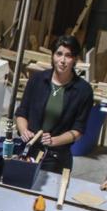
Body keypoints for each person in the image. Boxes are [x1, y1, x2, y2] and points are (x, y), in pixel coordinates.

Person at [15, 35, 95, 173]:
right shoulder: (37, 80)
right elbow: (22, 112)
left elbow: (78, 131)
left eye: (68, 56)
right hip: (28, 150)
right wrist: (24, 131)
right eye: (59, 54)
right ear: (53, 56)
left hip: (57, 157)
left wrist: (54, 140)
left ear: (75, 59)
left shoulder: (83, 91)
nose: (62, 60)